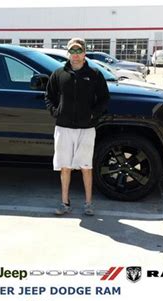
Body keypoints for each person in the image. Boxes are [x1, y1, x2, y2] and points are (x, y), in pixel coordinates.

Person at [45, 38, 109, 216]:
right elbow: (48, 96)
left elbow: (104, 99)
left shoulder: (95, 74)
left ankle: (89, 203)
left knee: (86, 167)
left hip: (86, 129)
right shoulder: (59, 74)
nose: (75, 55)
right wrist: (55, 111)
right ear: (68, 54)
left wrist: (92, 115)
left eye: (78, 51)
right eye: (72, 51)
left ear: (84, 53)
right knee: (65, 167)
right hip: (63, 128)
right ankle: (65, 203)